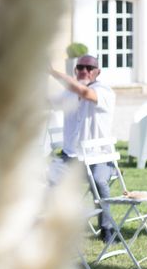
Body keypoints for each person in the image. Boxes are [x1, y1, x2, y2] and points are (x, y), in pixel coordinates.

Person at [48, 54, 117, 244]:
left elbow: (84, 93)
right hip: (71, 155)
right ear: (75, 70)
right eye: (80, 68)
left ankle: (107, 228)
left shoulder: (104, 91)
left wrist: (52, 72)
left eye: (89, 68)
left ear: (97, 72)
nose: (84, 71)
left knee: (99, 182)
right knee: (48, 180)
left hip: (99, 156)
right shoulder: (68, 93)